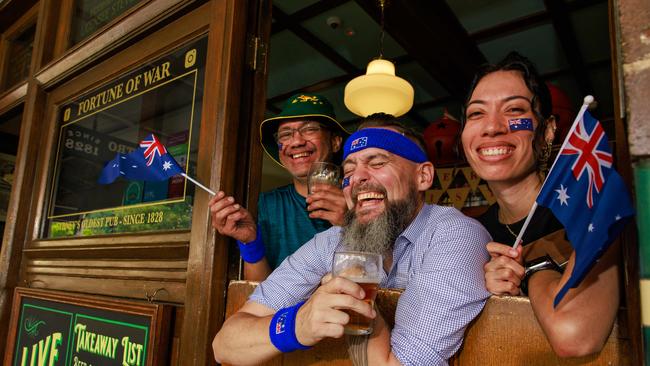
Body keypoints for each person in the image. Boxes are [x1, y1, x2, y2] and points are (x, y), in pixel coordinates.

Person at [213, 114, 491, 365]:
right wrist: (299, 324)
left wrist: (356, 305)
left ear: (423, 176)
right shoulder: (333, 240)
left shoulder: (455, 235)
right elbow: (224, 345)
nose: (357, 178)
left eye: (378, 162)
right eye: (348, 171)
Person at [460, 52, 620, 357]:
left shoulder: (591, 205)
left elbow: (575, 335)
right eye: (476, 114)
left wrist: (532, 271)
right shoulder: (472, 233)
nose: (491, 127)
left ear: (547, 131)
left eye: (514, 109)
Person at [208, 93, 349, 280]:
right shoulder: (266, 205)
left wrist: (351, 224)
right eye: (286, 134)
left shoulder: (360, 199)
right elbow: (261, 293)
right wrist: (250, 242)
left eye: (309, 129)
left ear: (335, 142)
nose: (297, 141)